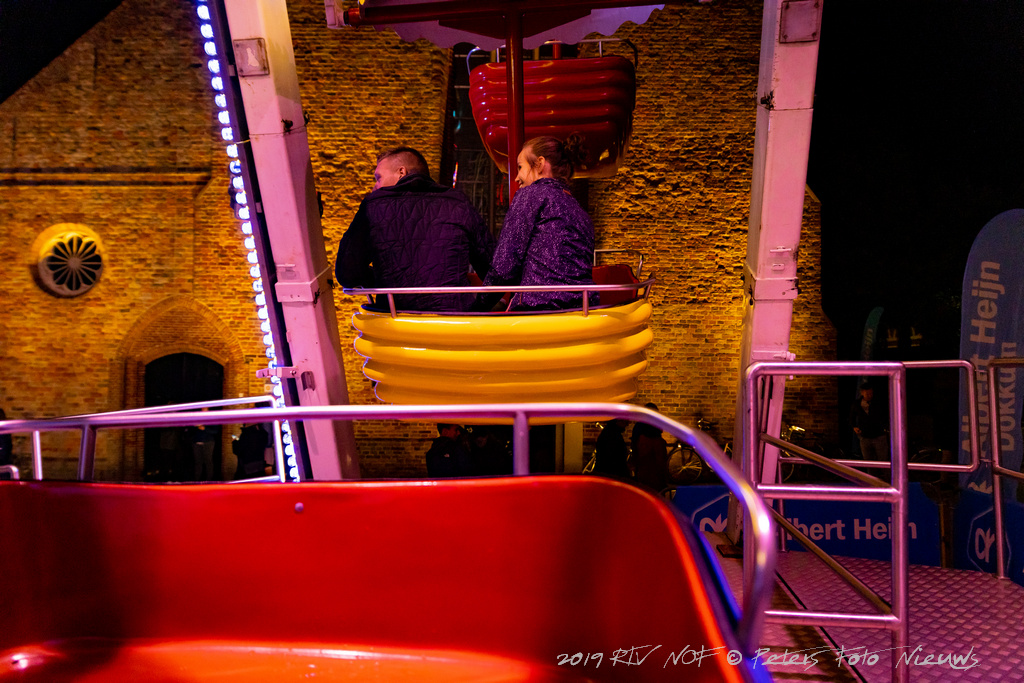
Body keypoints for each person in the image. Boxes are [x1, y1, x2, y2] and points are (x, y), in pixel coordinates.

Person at [335, 146, 495, 311]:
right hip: (453, 319)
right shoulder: (458, 203)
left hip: (393, 318)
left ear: (401, 172)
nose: (375, 187)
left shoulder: (373, 205)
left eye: (378, 178)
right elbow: (495, 269)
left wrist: (381, 278)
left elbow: (346, 273)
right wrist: (480, 307)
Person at [478, 135, 597, 311]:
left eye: (520, 167)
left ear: (540, 164)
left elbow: (505, 265)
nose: (517, 177)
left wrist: (479, 306)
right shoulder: (581, 212)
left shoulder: (532, 195)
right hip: (584, 308)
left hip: (539, 309)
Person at [631, 403, 670, 493]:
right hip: (654, 473)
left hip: (643, 470)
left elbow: (635, 446)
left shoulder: (640, 429)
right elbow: (661, 461)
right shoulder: (657, 438)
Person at [850, 382, 889, 461]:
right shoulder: (857, 404)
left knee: (882, 459)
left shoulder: (878, 402)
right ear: (862, 393)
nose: (869, 396)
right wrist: (854, 427)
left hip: (879, 435)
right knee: (868, 460)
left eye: (871, 393)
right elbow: (851, 417)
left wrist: (885, 427)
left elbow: (885, 415)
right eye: (867, 394)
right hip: (864, 436)